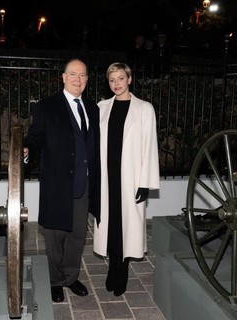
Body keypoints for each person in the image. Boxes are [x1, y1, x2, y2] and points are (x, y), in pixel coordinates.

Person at [23, 58, 100, 303]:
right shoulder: (47, 106)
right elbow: (35, 137)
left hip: (84, 183)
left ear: (87, 80)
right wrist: (26, 148)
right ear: (64, 78)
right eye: (73, 75)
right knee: (55, 235)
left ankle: (70, 277)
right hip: (57, 182)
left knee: (78, 234)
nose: (78, 80)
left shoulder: (92, 108)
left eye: (83, 75)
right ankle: (55, 281)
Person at [93, 62, 160, 296]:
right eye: (112, 80)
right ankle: (113, 267)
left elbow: (150, 146)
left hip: (131, 178)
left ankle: (122, 271)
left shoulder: (144, 109)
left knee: (127, 226)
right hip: (107, 177)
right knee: (110, 225)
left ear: (129, 79)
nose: (116, 84)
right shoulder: (101, 107)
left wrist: (146, 181)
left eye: (121, 79)